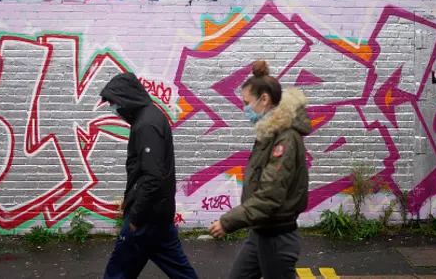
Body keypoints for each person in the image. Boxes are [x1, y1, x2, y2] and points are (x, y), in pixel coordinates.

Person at [208, 60, 312, 279]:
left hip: (277, 237)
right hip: (261, 232)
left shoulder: (285, 139)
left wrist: (228, 222)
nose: (245, 108)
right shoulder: (270, 133)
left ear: (264, 99)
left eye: (247, 102)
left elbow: (270, 195)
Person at [100, 72, 198, 279]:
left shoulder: (146, 125)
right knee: (179, 270)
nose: (113, 108)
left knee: (117, 272)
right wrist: (129, 198)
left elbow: (153, 176)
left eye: (114, 102)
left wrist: (135, 215)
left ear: (125, 98)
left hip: (147, 218)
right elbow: (144, 172)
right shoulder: (150, 117)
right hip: (158, 214)